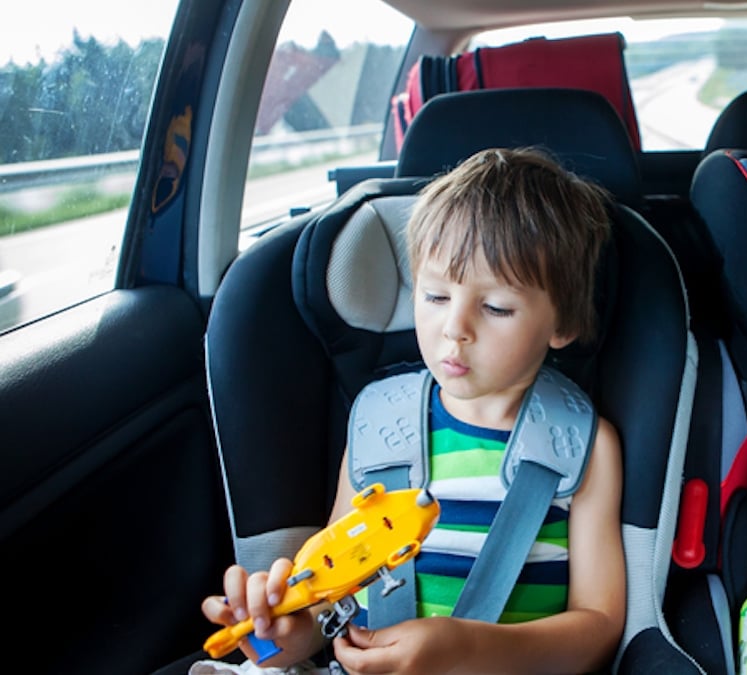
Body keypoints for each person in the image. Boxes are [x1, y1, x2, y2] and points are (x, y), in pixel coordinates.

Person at [201, 147, 625, 674]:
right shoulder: (381, 427)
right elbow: (332, 602)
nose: (455, 328)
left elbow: (600, 626)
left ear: (561, 325)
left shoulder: (582, 447)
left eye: (495, 307)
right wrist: (273, 637)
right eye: (435, 296)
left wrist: (467, 650)